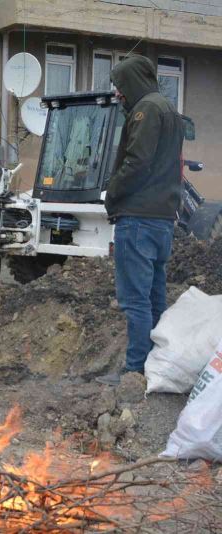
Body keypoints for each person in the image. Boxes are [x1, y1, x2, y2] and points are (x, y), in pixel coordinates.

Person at [96, 56, 184, 386]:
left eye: (120, 86)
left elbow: (137, 162)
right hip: (162, 219)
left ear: (132, 81)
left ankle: (135, 371)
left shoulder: (146, 110)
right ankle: (156, 365)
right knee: (154, 298)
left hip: (138, 219)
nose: (118, 93)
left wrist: (112, 194)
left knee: (135, 300)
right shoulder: (169, 109)